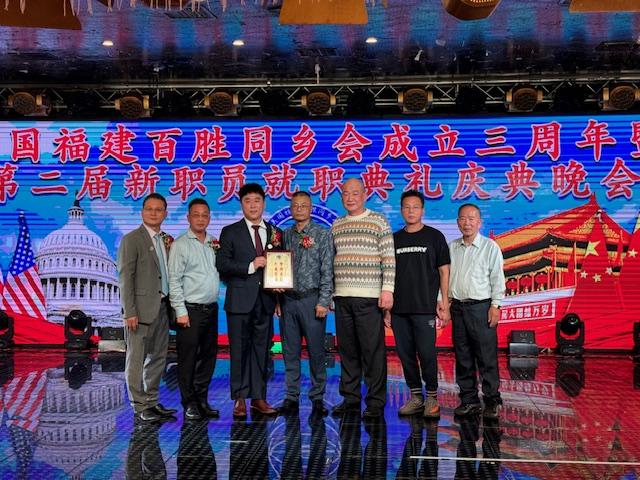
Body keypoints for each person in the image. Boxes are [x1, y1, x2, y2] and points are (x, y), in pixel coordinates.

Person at [331, 178, 395, 419]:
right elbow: (331, 261)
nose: (350, 198)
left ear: (365, 194)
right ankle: (350, 398)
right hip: (342, 297)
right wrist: (331, 294)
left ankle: (376, 401)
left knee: (372, 352)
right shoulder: (337, 224)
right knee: (347, 351)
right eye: (346, 194)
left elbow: (389, 259)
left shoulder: (378, 221)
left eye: (355, 193)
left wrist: (387, 289)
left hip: (369, 298)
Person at [216, 183, 281, 418]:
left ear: (264, 203)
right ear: (241, 204)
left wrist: (279, 297)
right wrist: (251, 265)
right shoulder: (230, 231)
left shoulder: (275, 232)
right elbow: (222, 264)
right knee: (239, 351)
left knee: (262, 351)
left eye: (257, 200)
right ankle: (240, 399)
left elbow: (280, 267)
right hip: (239, 302)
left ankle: (258, 397)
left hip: (266, 301)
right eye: (248, 201)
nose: (253, 205)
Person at [385, 190, 450, 418]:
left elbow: (444, 272)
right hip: (399, 310)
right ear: (401, 210)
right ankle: (415, 397)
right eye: (406, 207)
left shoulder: (435, 237)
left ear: (422, 210)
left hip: (425, 309)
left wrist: (444, 302)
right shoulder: (394, 239)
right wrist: (387, 310)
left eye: (415, 207)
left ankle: (431, 397)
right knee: (405, 355)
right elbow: (388, 275)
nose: (411, 211)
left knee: (427, 353)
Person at [118, 192, 177, 423]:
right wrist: (129, 311)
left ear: (165, 213)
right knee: (136, 359)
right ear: (142, 212)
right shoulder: (132, 240)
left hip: (162, 307)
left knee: (158, 358)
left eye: (158, 209)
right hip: (140, 311)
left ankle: (152, 401)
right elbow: (126, 278)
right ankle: (139, 405)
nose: (154, 213)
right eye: (149, 209)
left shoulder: (166, 240)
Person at [278, 191, 333, 416]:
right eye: (295, 206)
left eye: (304, 205)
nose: (299, 209)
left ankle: (317, 397)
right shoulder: (284, 235)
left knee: (316, 352)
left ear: (311, 209)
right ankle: (291, 396)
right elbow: (278, 270)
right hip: (288, 301)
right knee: (289, 352)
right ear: (291, 209)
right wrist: (278, 299)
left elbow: (327, 270)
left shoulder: (322, 234)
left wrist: (324, 301)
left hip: (312, 301)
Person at [449, 203, 505, 419]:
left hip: (481, 308)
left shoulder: (490, 247)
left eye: (471, 218)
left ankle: (492, 400)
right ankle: (469, 400)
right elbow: (445, 277)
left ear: (479, 222)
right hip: (458, 308)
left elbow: (497, 278)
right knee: (463, 356)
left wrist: (495, 305)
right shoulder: (452, 247)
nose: (467, 223)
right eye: (463, 219)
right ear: (457, 222)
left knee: (486, 356)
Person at [168, 198, 220, 421]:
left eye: (204, 215)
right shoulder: (180, 244)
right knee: (188, 359)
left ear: (209, 217)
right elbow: (174, 280)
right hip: (190, 310)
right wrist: (180, 311)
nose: (200, 219)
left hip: (211, 308)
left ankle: (202, 400)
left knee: (208, 357)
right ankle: (189, 402)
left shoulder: (213, 242)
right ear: (188, 217)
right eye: (196, 215)